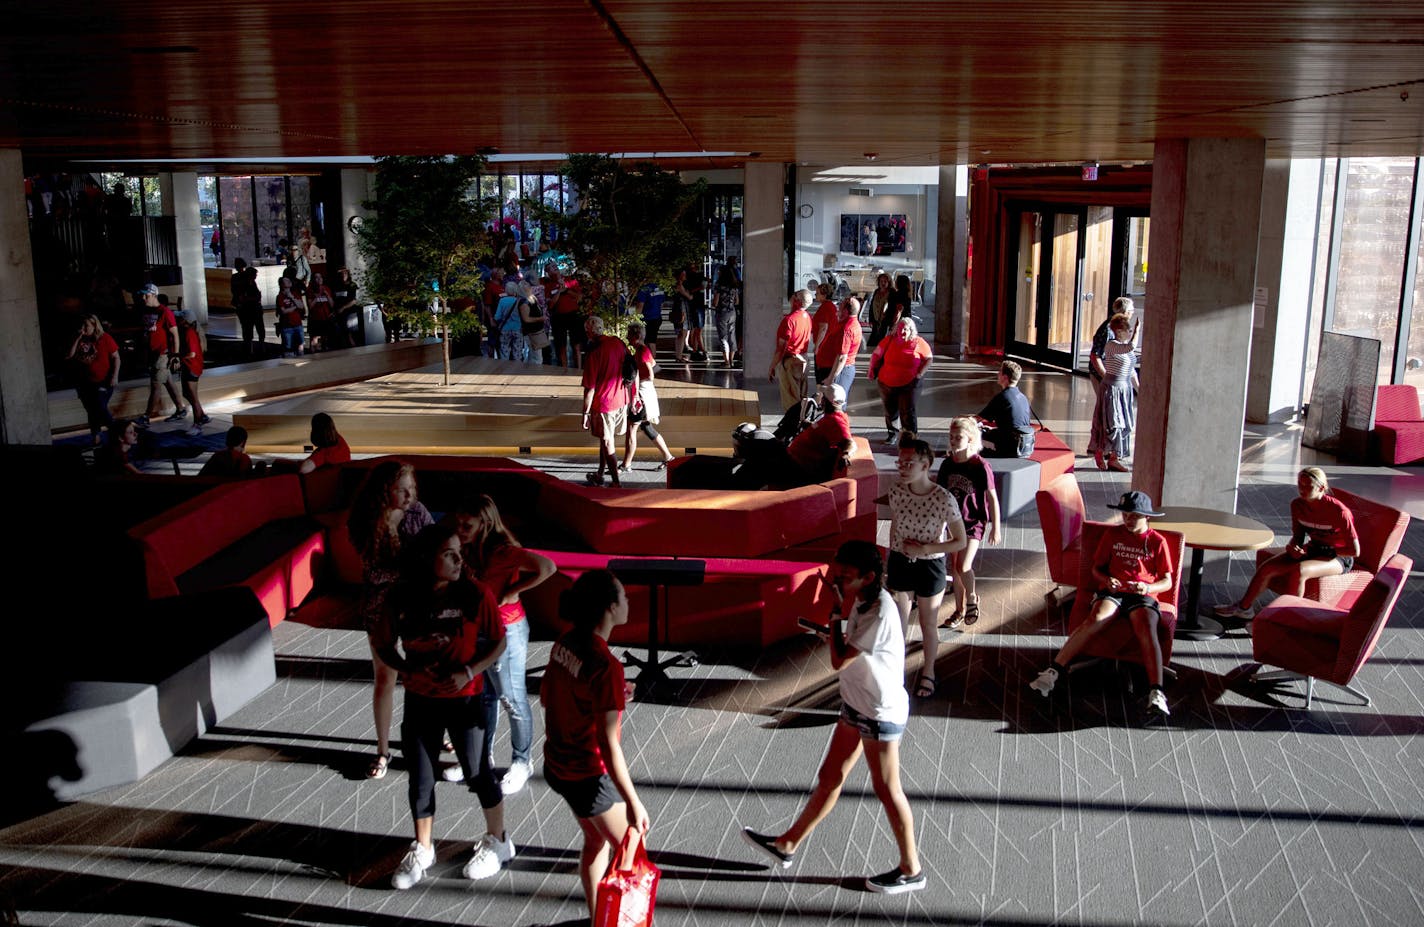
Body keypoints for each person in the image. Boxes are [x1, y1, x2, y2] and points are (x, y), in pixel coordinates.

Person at [741, 540, 924, 894]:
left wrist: (836, 617)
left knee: (887, 790)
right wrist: (839, 613)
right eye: (835, 572)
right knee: (830, 776)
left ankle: (911, 869)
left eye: (845, 576)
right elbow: (847, 648)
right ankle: (787, 845)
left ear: (869, 577)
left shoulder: (880, 611)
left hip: (877, 711)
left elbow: (839, 659)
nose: (837, 580)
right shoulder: (861, 598)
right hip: (857, 702)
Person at [373, 523, 515, 889]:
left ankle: (499, 841)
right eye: (449, 554)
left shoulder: (474, 594)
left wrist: (469, 671)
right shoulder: (399, 598)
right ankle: (423, 848)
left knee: (477, 771)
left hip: (466, 699)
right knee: (420, 778)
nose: (458, 559)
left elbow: (498, 642)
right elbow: (384, 644)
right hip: (421, 700)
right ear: (426, 559)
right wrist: (405, 668)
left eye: (459, 552)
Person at [541, 569, 651, 922]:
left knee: (595, 842)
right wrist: (633, 801)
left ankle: (597, 919)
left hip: (558, 766)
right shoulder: (605, 666)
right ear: (609, 607)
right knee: (633, 850)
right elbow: (607, 745)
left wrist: (609, 701)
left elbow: (549, 696)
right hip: (587, 777)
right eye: (625, 596)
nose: (629, 601)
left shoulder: (565, 643)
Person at [1029, 490, 1176, 725]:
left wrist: (1147, 588)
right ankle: (1054, 671)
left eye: (1134, 516)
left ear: (1146, 517)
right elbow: (1097, 569)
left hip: (1141, 594)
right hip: (1113, 591)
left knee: (1147, 628)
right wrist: (1107, 581)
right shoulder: (1112, 535)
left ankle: (1156, 691)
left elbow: (1167, 581)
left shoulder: (1157, 542)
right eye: (1125, 514)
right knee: (1096, 619)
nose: (1128, 519)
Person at [451, 495, 555, 796]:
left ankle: (522, 761)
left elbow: (547, 567)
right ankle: (481, 758)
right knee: (485, 697)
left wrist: (513, 591)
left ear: (484, 523)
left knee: (511, 697)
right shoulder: (468, 548)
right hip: (479, 628)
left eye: (467, 524)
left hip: (507, 629)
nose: (460, 528)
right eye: (458, 523)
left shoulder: (503, 551)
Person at [347, 461, 435, 780]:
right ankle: (382, 750)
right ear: (385, 490)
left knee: (424, 673)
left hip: (416, 607)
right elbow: (373, 569)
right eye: (401, 489)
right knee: (385, 678)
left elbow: (431, 556)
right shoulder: (365, 518)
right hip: (379, 608)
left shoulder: (418, 514)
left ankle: (437, 736)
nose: (409, 494)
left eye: (412, 487)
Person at [1212, 467, 1360, 622]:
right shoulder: (1297, 505)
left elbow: (1354, 551)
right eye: (1299, 485)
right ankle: (1244, 608)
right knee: (1267, 567)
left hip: (1338, 557)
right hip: (1313, 549)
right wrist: (1293, 548)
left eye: (1307, 486)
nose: (1302, 490)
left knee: (1300, 570)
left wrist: (1325, 550)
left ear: (1321, 488)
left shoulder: (1339, 512)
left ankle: (1287, 618)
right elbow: (1298, 536)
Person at [888, 437, 967, 699]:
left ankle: (929, 670)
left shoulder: (943, 498)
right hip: (901, 561)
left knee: (927, 622)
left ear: (926, 465)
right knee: (896, 622)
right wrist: (894, 555)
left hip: (930, 565)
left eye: (909, 462)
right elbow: (895, 524)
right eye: (900, 462)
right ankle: (895, 671)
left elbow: (960, 540)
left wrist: (924, 550)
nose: (903, 467)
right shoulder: (896, 491)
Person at [936, 416, 1001, 628]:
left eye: (959, 437)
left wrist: (995, 527)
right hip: (954, 523)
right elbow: (941, 494)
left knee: (964, 565)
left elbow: (992, 497)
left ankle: (972, 597)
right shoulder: (947, 464)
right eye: (951, 437)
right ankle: (959, 610)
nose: (954, 441)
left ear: (970, 439)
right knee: (954, 567)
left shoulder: (980, 466)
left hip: (974, 522)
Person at [735, 382, 852, 490]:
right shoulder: (829, 417)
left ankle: (736, 489)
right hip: (792, 458)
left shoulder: (836, 421)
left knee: (761, 459)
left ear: (826, 401)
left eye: (823, 398)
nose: (821, 401)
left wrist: (846, 454)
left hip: (797, 466)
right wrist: (810, 426)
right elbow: (823, 431)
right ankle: (737, 485)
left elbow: (848, 441)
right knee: (763, 449)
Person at [581, 316, 631, 487]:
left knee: (607, 441)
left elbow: (590, 388)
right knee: (605, 437)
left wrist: (585, 413)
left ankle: (616, 481)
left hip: (604, 403)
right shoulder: (617, 342)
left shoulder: (593, 353)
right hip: (622, 398)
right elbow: (631, 366)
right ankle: (600, 472)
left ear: (589, 331)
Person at [621, 320, 676, 471]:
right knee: (646, 427)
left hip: (642, 394)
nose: (627, 337)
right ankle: (668, 457)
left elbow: (651, 374)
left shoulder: (642, 351)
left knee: (632, 429)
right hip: (646, 392)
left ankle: (626, 464)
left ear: (636, 336)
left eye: (629, 334)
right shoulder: (642, 351)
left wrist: (635, 381)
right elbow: (654, 366)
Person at [1087, 313, 1139, 471]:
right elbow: (1130, 346)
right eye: (1127, 330)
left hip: (1124, 390)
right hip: (1112, 389)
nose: (1130, 333)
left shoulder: (1125, 349)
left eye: (1131, 331)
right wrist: (1137, 330)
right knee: (1112, 424)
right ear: (1118, 330)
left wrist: (1139, 388)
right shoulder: (1111, 345)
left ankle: (1115, 458)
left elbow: (1130, 371)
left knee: (1125, 425)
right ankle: (1100, 452)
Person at [868, 316, 932, 445]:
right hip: (886, 382)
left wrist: (920, 373)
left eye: (906, 330)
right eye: (900, 329)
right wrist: (871, 370)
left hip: (909, 383)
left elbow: (929, 358)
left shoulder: (919, 342)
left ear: (911, 330)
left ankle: (910, 436)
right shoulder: (888, 340)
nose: (903, 332)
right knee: (890, 410)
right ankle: (892, 434)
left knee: (907, 411)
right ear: (896, 329)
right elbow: (876, 355)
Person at [66, 314, 119, 446]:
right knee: (91, 410)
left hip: (103, 380)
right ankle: (96, 436)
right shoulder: (80, 339)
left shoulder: (105, 338)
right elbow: (69, 355)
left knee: (99, 406)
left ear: (94, 326)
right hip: (85, 382)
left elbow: (116, 357)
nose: (83, 328)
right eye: (82, 325)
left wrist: (115, 375)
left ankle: (117, 431)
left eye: (86, 326)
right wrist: (78, 338)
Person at [136, 284, 184, 427]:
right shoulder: (145, 310)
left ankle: (146, 416)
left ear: (154, 295)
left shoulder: (165, 312)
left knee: (156, 384)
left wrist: (175, 354)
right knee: (167, 381)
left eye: (147, 295)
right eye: (142, 295)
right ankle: (180, 409)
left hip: (162, 354)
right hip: (152, 352)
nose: (143, 298)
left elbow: (175, 334)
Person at [977, 360, 1034, 458]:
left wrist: (961, 419)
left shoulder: (1002, 397)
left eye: (1000, 371)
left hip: (1009, 445)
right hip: (1023, 443)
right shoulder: (1023, 397)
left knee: (974, 432)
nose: (997, 373)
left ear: (1005, 377)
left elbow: (978, 418)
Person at [769, 289, 812, 411]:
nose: (792, 295)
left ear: (796, 301)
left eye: (795, 294)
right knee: (802, 398)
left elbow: (781, 348)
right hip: (804, 359)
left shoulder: (789, 320)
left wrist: (773, 366)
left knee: (791, 402)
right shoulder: (807, 317)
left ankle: (793, 426)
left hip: (791, 362)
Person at [175, 311, 210, 435]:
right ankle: (202, 416)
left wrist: (177, 357)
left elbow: (192, 354)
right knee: (187, 394)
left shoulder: (189, 333)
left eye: (179, 318)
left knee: (193, 397)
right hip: (190, 367)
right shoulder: (188, 331)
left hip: (191, 367)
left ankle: (197, 424)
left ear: (185, 321)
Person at [1090, 297, 1138, 383]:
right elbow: (1095, 355)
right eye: (1132, 310)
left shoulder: (1123, 327)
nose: (1133, 313)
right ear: (1126, 312)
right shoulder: (1108, 329)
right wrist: (1105, 377)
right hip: (1103, 373)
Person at [545, 263, 583, 368]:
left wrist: (566, 290)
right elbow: (551, 305)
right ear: (547, 273)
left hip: (573, 315)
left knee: (576, 344)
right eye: (550, 268)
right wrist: (559, 292)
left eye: (555, 266)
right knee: (561, 346)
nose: (554, 268)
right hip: (558, 317)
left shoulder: (570, 280)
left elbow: (579, 297)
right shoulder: (548, 286)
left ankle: (579, 369)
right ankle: (564, 370)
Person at [824, 296, 863, 399]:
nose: (838, 309)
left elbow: (842, 357)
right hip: (845, 368)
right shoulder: (853, 324)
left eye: (840, 307)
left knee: (835, 401)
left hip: (842, 370)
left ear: (846, 311)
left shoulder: (847, 329)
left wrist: (831, 378)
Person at [231, 259, 265, 354]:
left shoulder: (236, 278)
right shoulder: (247, 281)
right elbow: (254, 295)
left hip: (244, 308)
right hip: (250, 308)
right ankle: (259, 347)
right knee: (257, 328)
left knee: (247, 329)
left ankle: (249, 348)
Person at [811, 283, 840, 384]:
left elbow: (823, 328)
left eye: (817, 293)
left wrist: (817, 346)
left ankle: (821, 396)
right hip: (829, 345)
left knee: (821, 375)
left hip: (824, 347)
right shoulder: (831, 306)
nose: (815, 295)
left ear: (824, 294)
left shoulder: (825, 308)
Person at [711, 264, 739, 368]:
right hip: (732, 312)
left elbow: (715, 302)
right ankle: (732, 360)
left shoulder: (719, 285)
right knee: (732, 335)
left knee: (723, 337)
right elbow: (737, 301)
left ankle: (726, 361)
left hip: (722, 313)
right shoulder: (733, 286)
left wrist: (714, 305)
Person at [493, 279, 526, 363]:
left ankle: (505, 371)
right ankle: (517, 371)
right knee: (517, 353)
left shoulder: (502, 301)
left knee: (504, 352)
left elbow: (497, 317)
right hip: (518, 329)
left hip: (505, 329)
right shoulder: (519, 301)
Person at [275, 276, 306, 357]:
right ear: (282, 285)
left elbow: (302, 306)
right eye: (286, 281)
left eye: (289, 280)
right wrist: (295, 306)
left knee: (301, 346)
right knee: (288, 348)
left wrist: (292, 297)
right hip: (287, 326)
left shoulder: (295, 294)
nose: (289, 281)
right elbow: (284, 311)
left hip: (298, 324)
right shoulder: (280, 296)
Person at [305, 272, 335, 352]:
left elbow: (332, 305)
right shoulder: (310, 290)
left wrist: (327, 295)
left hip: (326, 317)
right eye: (316, 277)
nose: (319, 279)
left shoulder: (327, 288)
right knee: (314, 340)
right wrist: (317, 296)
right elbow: (310, 306)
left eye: (320, 277)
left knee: (325, 339)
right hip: (315, 318)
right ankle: (313, 355)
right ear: (313, 279)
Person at [633, 280, 666, 352]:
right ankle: (651, 360)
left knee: (648, 342)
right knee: (652, 341)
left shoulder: (644, 289)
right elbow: (662, 304)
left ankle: (651, 361)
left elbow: (640, 306)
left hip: (647, 318)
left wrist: (636, 320)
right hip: (657, 317)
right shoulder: (660, 287)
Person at [686, 263, 708, 361]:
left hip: (698, 305)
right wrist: (700, 288)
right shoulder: (690, 279)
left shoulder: (696, 278)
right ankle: (702, 350)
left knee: (697, 329)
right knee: (698, 329)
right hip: (696, 306)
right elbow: (690, 291)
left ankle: (695, 350)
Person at [669, 267, 692, 362]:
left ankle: (679, 354)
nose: (685, 276)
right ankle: (678, 355)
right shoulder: (679, 286)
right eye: (683, 274)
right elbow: (689, 297)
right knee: (682, 332)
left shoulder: (681, 285)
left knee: (683, 333)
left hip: (682, 310)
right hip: (681, 311)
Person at [867, 273, 893, 346]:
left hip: (885, 322)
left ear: (889, 282)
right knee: (871, 343)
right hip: (876, 321)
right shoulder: (876, 291)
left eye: (885, 281)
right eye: (881, 281)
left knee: (882, 343)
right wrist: (871, 319)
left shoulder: (891, 292)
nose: (883, 283)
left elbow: (892, 309)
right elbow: (872, 306)